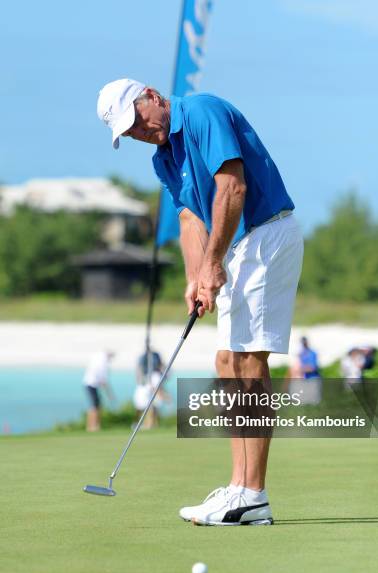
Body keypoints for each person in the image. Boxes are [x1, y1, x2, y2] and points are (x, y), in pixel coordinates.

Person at [97, 78, 304, 526]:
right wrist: (196, 277)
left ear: (152, 95)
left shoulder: (202, 111)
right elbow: (191, 217)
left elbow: (232, 188)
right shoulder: (163, 158)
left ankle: (253, 494)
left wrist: (213, 265)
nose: (139, 132)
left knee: (248, 361)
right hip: (239, 246)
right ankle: (239, 487)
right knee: (226, 361)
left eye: (137, 120)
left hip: (265, 234)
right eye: (128, 132)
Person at [133, 349, 168, 429]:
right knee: (150, 410)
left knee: (151, 410)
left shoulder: (154, 374)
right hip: (145, 394)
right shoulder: (156, 375)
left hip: (145, 393)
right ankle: (148, 426)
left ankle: (151, 426)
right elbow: (156, 389)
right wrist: (165, 397)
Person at [83, 350, 115, 432]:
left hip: (91, 384)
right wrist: (110, 395)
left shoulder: (98, 359)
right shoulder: (103, 363)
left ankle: (93, 426)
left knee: (96, 406)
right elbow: (104, 381)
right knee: (95, 406)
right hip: (91, 385)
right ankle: (93, 426)